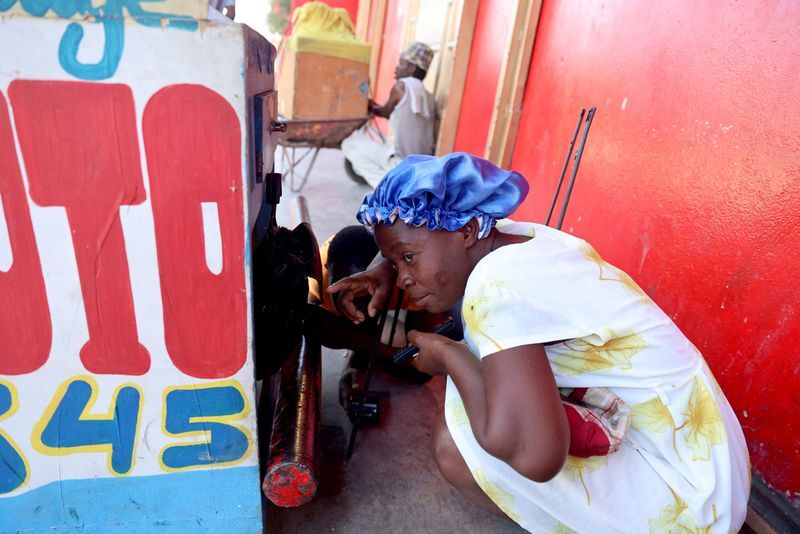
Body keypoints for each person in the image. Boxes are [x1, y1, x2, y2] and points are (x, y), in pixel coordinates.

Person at [328, 152, 750, 533]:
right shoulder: (514, 237)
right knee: (486, 394)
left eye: (407, 258)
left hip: (688, 500)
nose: (403, 277)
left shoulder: (496, 288)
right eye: (397, 261)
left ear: (468, 230)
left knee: (458, 445)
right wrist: (384, 268)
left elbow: (536, 456)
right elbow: (422, 235)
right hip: (712, 465)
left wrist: (452, 358)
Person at [341, 42, 436, 188]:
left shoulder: (402, 85)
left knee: (348, 145)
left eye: (401, 64)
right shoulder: (429, 97)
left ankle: (386, 190)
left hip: (402, 164)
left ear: (412, 68)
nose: (397, 67)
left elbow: (385, 112)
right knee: (380, 145)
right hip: (423, 167)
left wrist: (366, 103)